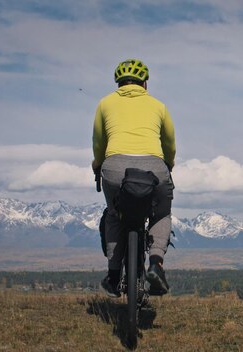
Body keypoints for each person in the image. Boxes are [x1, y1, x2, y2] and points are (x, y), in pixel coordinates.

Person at [92, 58, 175, 297]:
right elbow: (169, 143)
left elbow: (99, 142)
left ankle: (114, 274)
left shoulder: (104, 104)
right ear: (145, 83)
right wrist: (168, 164)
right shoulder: (158, 106)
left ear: (118, 83)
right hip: (154, 166)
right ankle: (156, 263)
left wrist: (98, 164)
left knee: (114, 215)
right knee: (161, 213)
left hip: (114, 167)